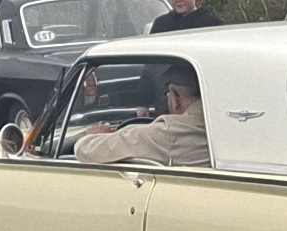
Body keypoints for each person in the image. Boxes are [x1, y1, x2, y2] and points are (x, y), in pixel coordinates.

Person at [74, 64, 209, 167]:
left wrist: (94, 135)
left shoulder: (168, 134)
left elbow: (85, 150)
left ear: (175, 98)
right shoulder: (217, 125)